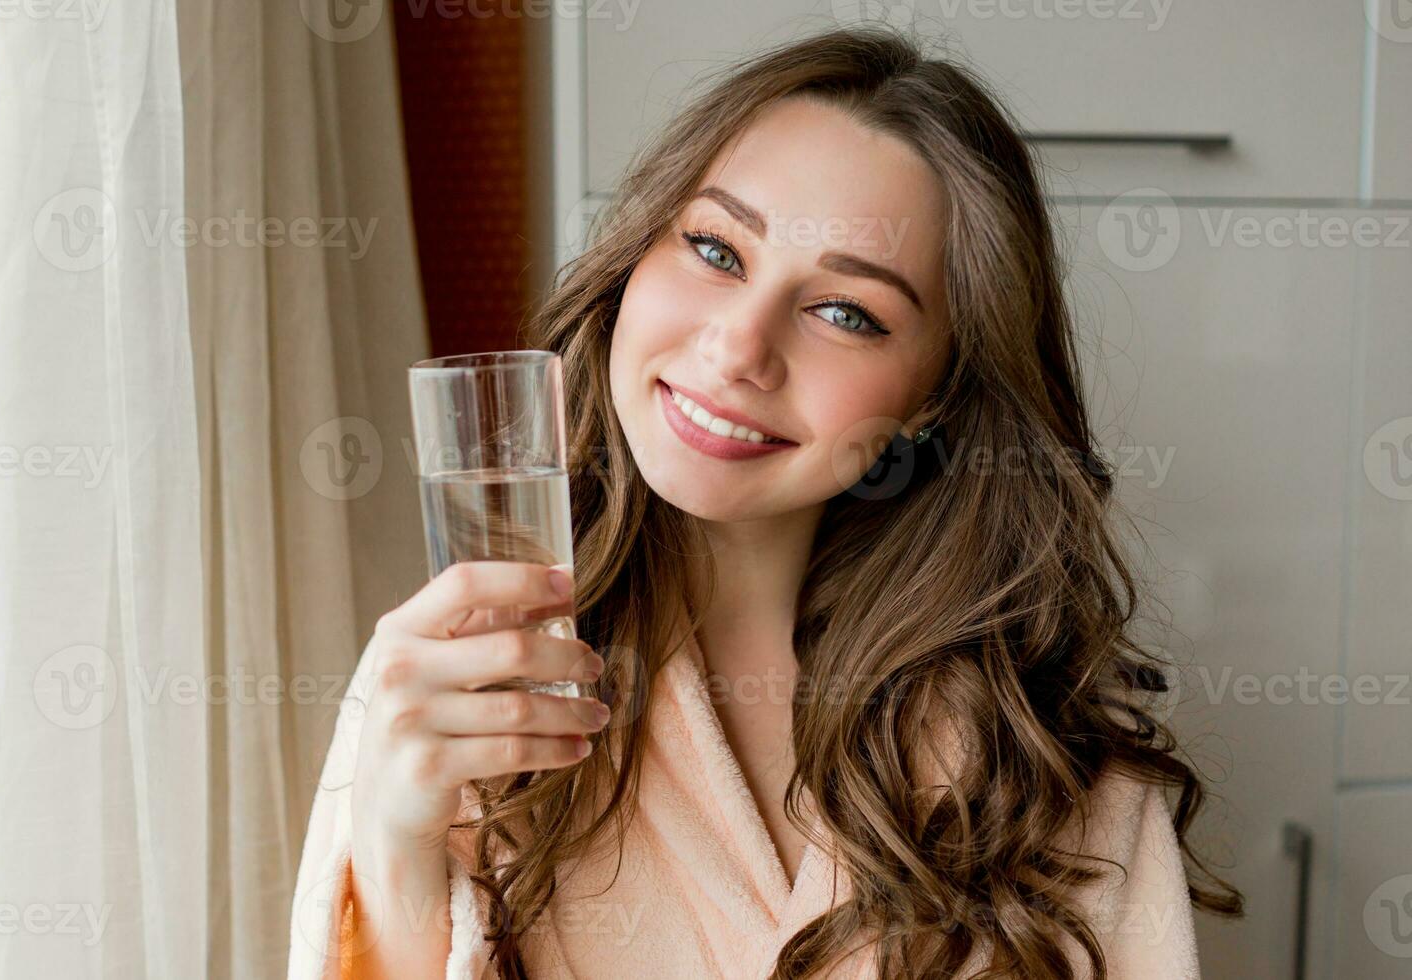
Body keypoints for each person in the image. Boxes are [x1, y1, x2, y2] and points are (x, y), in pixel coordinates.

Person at [287, 25, 1243, 980]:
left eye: (844, 314)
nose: (739, 347)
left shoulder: (1045, 756)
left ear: (935, 397)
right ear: (632, 259)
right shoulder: (462, 683)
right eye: (713, 248)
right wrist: (392, 845)